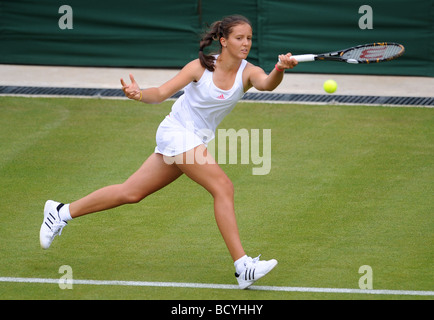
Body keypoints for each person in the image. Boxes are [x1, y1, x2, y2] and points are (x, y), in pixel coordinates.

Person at [39, 15, 297, 289]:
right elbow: (161, 93)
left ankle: (61, 212)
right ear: (223, 41)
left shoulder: (248, 72)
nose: (246, 43)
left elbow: (267, 83)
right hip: (176, 133)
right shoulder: (200, 67)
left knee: (131, 192)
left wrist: (280, 68)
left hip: (193, 140)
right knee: (223, 187)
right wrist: (139, 94)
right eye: (239, 38)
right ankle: (242, 266)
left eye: (249, 38)